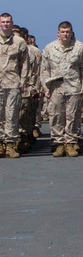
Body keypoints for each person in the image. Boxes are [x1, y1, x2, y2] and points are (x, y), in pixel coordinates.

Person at [41, 21, 83, 157]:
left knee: (73, 116)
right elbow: (44, 69)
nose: (65, 34)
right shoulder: (50, 48)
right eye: (63, 32)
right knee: (56, 115)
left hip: (74, 87)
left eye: (68, 31)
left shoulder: (80, 48)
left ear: (71, 32)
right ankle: (58, 143)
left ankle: (70, 143)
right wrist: (45, 87)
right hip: (56, 87)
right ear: (58, 33)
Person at [0, 13, 29, 158]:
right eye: (3, 22)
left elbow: (25, 64)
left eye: (8, 22)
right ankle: (0, 144)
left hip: (12, 83)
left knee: (11, 115)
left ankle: (11, 144)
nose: (5, 24)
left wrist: (23, 81)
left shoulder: (19, 42)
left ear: (12, 24)